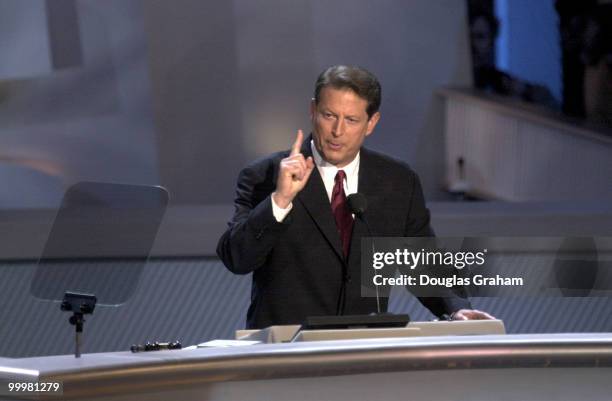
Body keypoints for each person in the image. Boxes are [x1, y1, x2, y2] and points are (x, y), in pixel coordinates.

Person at [217, 65, 493, 329]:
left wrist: (456, 308)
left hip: (362, 351)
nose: (338, 131)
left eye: (351, 120)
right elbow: (236, 259)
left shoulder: (397, 182)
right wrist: (279, 200)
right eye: (329, 115)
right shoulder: (265, 175)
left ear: (371, 122)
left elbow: (422, 262)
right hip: (286, 352)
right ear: (312, 110)